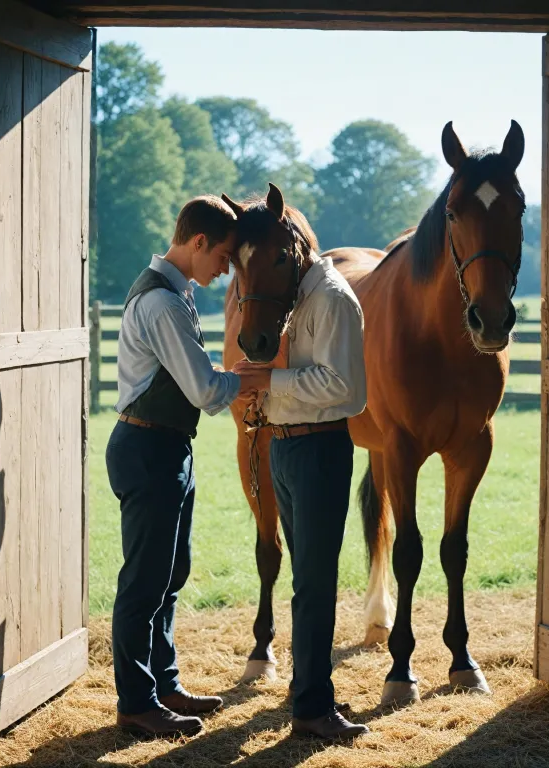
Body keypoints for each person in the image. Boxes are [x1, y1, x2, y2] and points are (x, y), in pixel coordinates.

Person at [106, 195, 262, 737]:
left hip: (167, 446)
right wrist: (249, 377)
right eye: (222, 256)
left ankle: (163, 685)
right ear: (198, 242)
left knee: (170, 576)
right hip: (149, 449)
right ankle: (137, 703)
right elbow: (205, 391)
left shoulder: (176, 293)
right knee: (143, 584)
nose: (225, 270)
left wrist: (227, 376)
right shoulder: (165, 305)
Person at [232, 250, 369, 741]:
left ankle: (312, 707)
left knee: (313, 583)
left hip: (318, 450)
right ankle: (308, 690)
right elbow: (299, 375)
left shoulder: (331, 300)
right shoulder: (298, 299)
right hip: (286, 446)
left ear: (289, 256)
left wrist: (269, 380)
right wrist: (262, 391)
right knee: (306, 581)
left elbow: (343, 386)